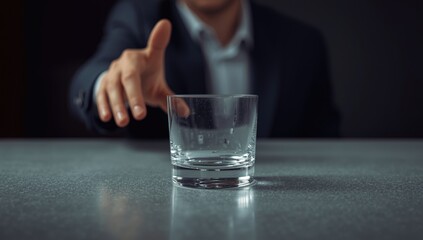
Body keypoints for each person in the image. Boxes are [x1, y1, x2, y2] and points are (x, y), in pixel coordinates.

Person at [69, 0, 340, 138]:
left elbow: (327, 144)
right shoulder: (139, 19)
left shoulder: (303, 43)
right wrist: (110, 83)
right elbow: (91, 75)